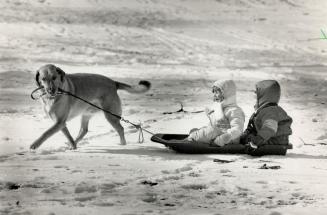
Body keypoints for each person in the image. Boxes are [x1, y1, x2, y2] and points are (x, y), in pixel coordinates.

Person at [187, 79, 245, 146]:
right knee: (201, 130)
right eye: (214, 92)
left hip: (229, 140)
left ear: (226, 93)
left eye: (217, 92)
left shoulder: (234, 110)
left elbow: (237, 130)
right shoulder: (218, 108)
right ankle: (195, 135)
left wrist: (222, 139)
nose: (215, 95)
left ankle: (193, 138)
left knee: (211, 131)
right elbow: (214, 124)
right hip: (218, 135)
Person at [240, 80, 292, 150]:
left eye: (257, 95)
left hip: (273, 141)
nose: (255, 98)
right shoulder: (267, 110)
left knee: (247, 139)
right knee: (246, 137)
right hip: (272, 139)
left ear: (263, 97)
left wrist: (258, 139)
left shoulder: (270, 111)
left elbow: (270, 127)